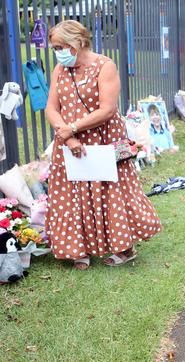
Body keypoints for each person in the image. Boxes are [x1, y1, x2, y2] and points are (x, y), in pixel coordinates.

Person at [44, 20, 160, 270]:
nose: (57, 52)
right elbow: (51, 108)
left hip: (105, 139)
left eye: (58, 47)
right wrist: (68, 136)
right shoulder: (60, 70)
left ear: (75, 43)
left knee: (112, 190)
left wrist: (73, 128)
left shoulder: (104, 66)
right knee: (72, 193)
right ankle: (78, 249)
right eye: (55, 48)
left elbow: (108, 110)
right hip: (68, 141)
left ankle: (124, 248)